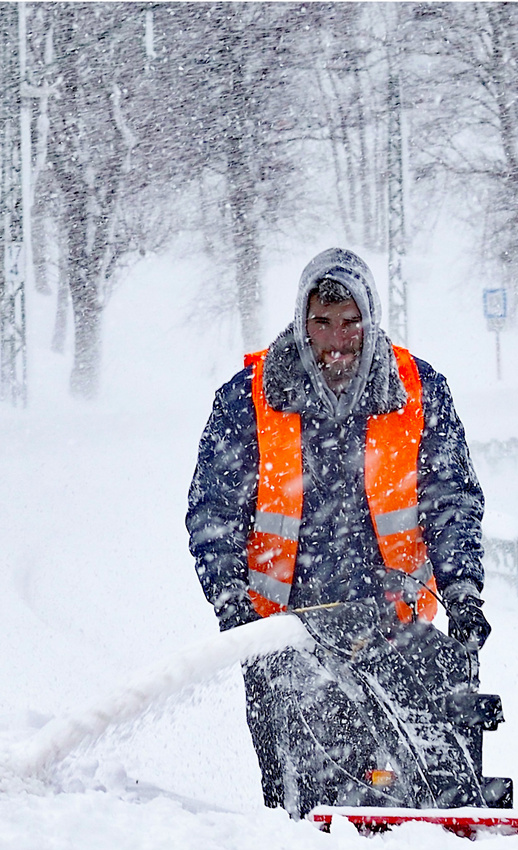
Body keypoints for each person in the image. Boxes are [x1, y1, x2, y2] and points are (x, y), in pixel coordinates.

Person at [187, 248, 490, 809]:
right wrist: (232, 607)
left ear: (370, 322)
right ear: (302, 323)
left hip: (397, 628)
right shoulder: (249, 399)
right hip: (283, 636)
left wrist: (464, 596)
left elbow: (451, 503)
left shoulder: (419, 392)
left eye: (350, 322)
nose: (336, 340)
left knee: (421, 786)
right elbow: (214, 515)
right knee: (298, 799)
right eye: (322, 323)